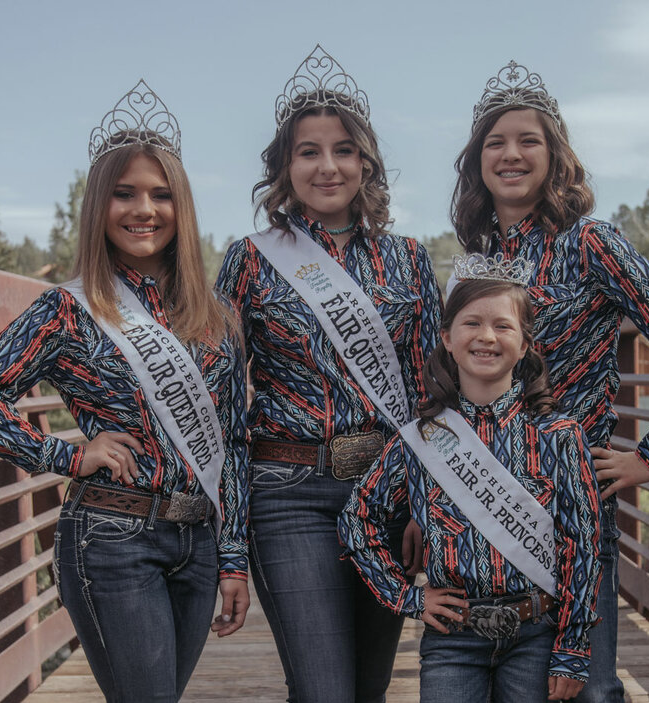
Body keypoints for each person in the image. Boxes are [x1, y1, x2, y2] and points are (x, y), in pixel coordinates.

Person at [0, 80, 250, 703]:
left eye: (162, 195)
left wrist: (234, 556)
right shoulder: (69, 310)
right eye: (124, 193)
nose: (144, 209)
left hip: (198, 545)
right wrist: (67, 455)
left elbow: (234, 441)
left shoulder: (217, 315)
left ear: (182, 210)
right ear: (98, 206)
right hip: (113, 539)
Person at [448, 60, 649, 701]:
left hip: (568, 499)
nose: (511, 154)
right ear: (477, 162)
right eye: (495, 142)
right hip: (477, 499)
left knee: (589, 689)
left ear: (555, 156)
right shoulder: (478, 259)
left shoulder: (591, 243)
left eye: (528, 140)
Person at [215, 45, 442, 703]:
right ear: (285, 167)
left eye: (343, 149)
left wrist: (429, 504)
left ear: (365, 162)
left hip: (386, 496)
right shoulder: (250, 261)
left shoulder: (409, 260)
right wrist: (230, 548)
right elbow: (226, 413)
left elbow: (431, 397)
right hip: (288, 492)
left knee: (366, 691)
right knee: (322, 690)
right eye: (308, 151)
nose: (327, 165)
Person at [339, 264, 602, 702]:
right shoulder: (421, 440)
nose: (487, 337)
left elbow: (583, 543)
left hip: (536, 633)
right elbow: (357, 518)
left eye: (503, 325)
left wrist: (572, 646)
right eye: (472, 323)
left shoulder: (559, 435)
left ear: (524, 345)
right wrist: (409, 599)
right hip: (452, 638)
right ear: (446, 337)